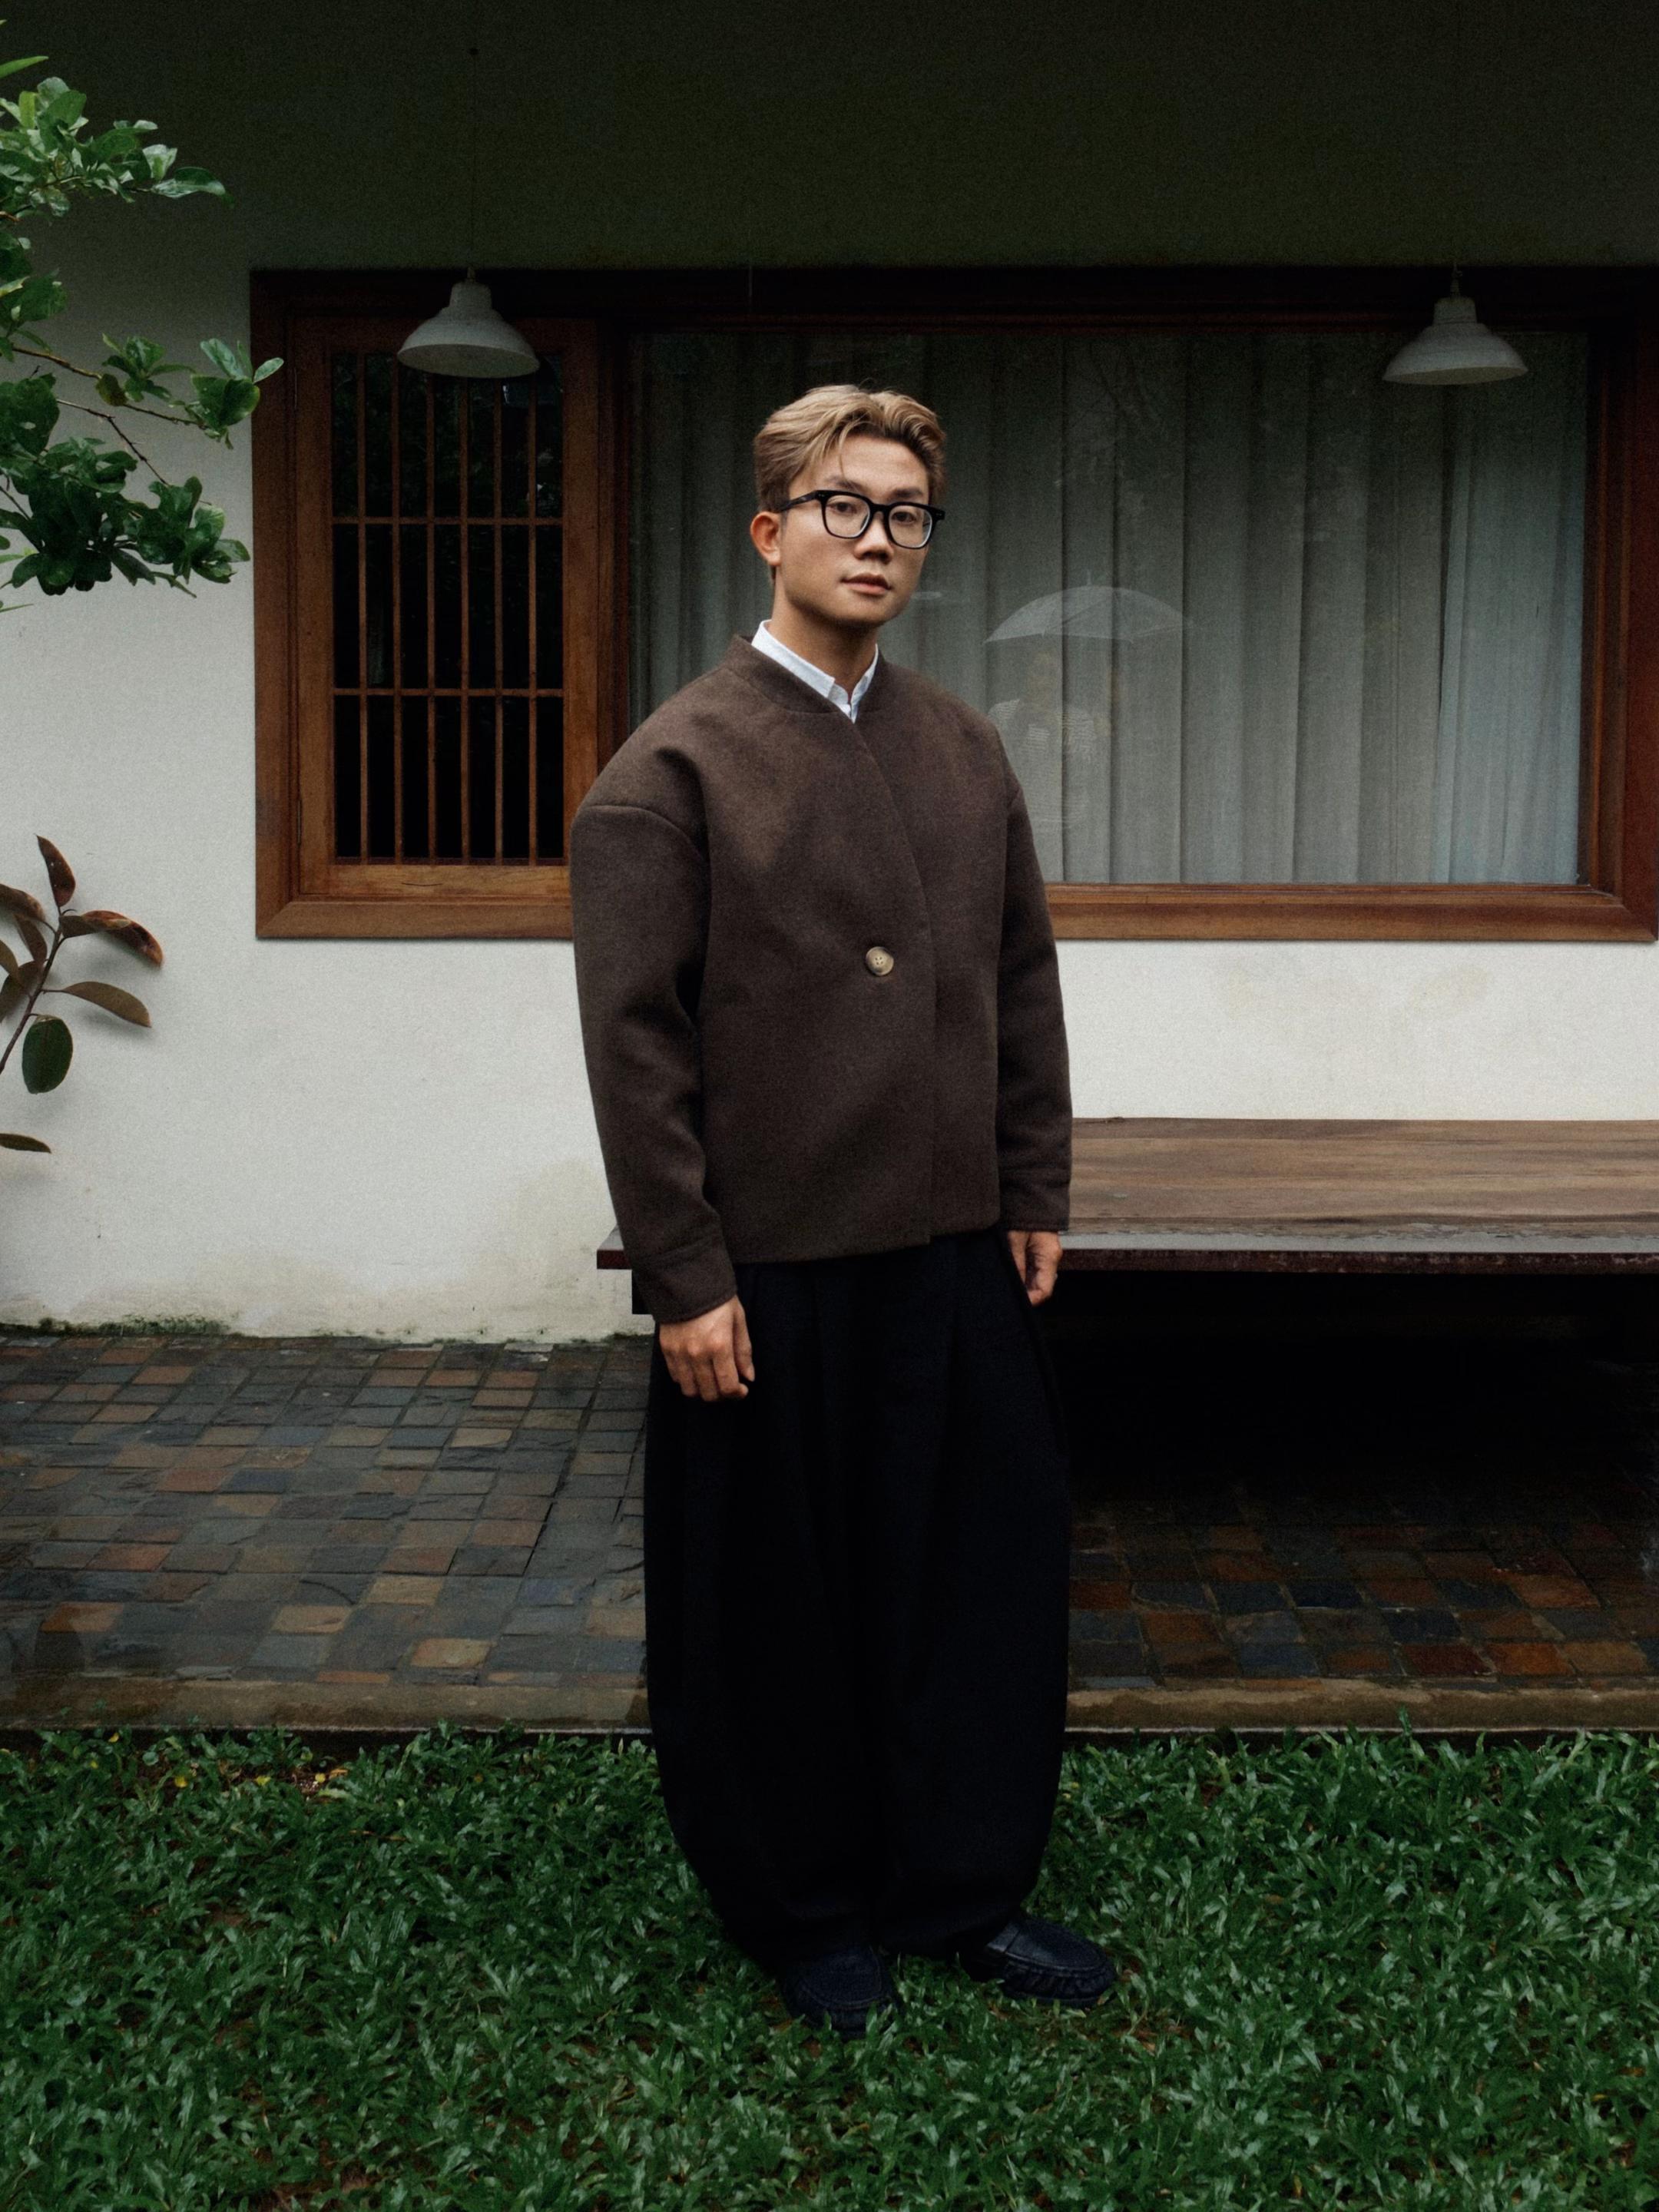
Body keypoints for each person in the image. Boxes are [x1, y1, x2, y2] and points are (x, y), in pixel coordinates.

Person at [568, 384, 1116, 2038]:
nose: (878, 539)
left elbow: (1021, 982)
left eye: (907, 514)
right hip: (770, 1268)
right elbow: (635, 1047)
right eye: (844, 506)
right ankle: (806, 1911)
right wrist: (685, 1276)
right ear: (772, 530)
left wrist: (1032, 1179)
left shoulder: (963, 748)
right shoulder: (674, 768)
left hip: (953, 1247)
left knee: (974, 1579)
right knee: (771, 1606)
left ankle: (962, 1888)